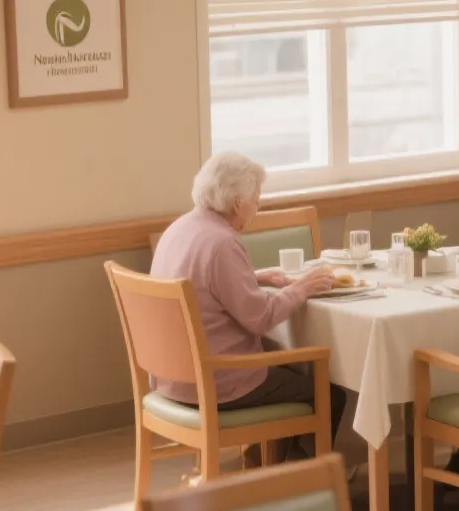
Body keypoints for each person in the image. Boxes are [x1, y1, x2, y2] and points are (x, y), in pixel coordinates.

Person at [150, 151, 349, 465]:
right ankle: (303, 480)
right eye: (257, 200)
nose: (258, 207)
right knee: (329, 393)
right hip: (219, 383)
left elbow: (197, 283)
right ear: (237, 203)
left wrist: (253, 277)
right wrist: (302, 287)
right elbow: (261, 318)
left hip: (173, 380)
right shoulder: (222, 243)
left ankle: (271, 470)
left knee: (290, 375)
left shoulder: (179, 229)